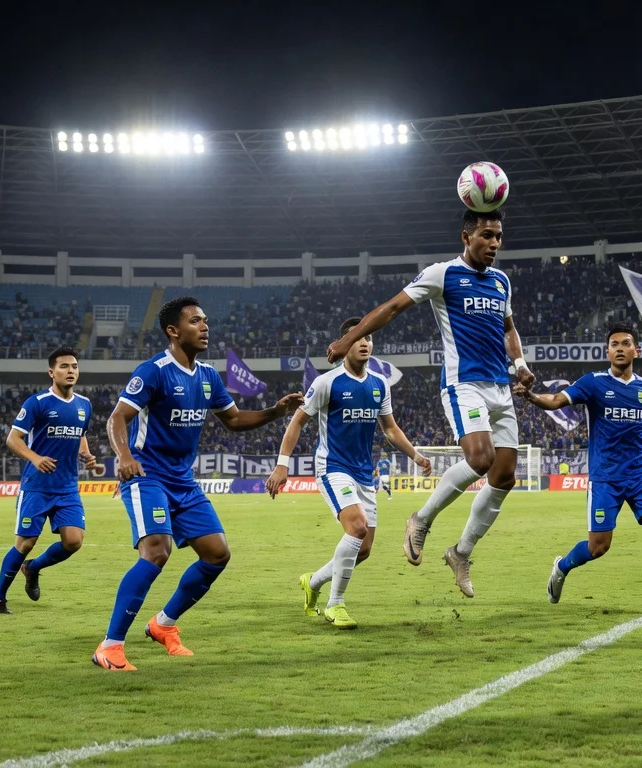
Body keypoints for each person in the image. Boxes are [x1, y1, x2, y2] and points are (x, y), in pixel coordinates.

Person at [327, 208, 535, 598]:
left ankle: (461, 552)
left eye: (499, 237)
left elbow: (509, 328)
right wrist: (346, 340)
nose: (494, 244)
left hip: (501, 388)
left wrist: (520, 365)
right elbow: (391, 308)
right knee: (480, 459)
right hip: (464, 384)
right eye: (487, 235)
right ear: (466, 237)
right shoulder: (442, 274)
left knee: (504, 477)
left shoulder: (502, 281)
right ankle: (420, 520)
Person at [91, 297, 303, 672]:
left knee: (217, 554)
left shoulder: (207, 377)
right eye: (195, 321)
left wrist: (275, 411)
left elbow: (234, 420)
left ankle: (163, 624)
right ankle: (110, 646)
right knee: (157, 551)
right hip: (147, 477)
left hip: (183, 482)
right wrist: (124, 456)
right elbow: (117, 418)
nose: (205, 326)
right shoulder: (153, 371)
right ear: (174, 331)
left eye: (205, 320)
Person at [518, 323, 642, 621]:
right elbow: (556, 400)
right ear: (607, 351)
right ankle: (562, 566)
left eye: (626, 343)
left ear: (637, 350)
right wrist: (531, 397)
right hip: (605, 476)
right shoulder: (593, 383)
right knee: (598, 547)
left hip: (639, 473)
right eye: (614, 344)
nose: (620, 348)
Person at [267, 317, 432, 629]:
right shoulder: (326, 383)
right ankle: (335, 604)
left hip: (363, 473)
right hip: (332, 467)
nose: (365, 343)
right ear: (345, 346)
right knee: (355, 529)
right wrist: (282, 463)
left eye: (369, 338)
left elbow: (391, 429)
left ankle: (312, 582)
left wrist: (416, 454)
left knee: (364, 549)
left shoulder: (379, 385)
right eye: (358, 339)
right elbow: (298, 422)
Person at [0, 347, 96, 614]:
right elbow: (13, 439)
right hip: (37, 486)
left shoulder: (85, 405)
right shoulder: (37, 403)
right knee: (25, 543)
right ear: (51, 372)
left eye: (74, 366)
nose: (70, 370)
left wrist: (86, 453)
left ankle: (33, 567)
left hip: (68, 487)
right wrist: (35, 458)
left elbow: (81, 433)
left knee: (73, 541)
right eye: (64, 367)